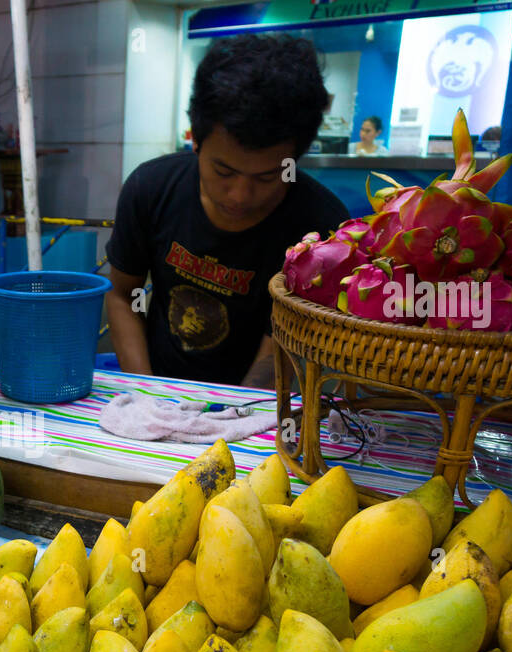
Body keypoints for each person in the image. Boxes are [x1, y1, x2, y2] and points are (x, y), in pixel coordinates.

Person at [105, 35, 348, 388]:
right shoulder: (151, 187)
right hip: (158, 383)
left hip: (256, 403)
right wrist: (147, 394)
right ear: (196, 140)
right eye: (223, 171)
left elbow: (279, 343)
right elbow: (123, 296)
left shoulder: (320, 228)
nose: (239, 195)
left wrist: (234, 416)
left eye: (267, 176)